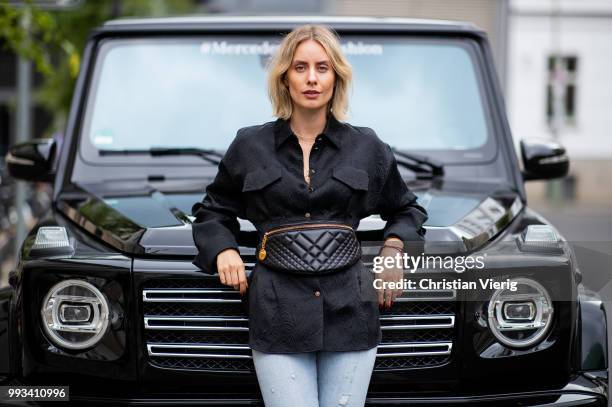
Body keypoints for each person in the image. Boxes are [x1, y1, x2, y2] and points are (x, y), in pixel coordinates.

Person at [191, 24, 428, 407]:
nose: (312, 78)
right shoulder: (249, 145)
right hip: (276, 314)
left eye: (322, 67)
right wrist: (223, 250)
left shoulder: (367, 147)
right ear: (285, 77)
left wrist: (395, 249)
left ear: (337, 76)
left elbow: (407, 208)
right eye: (300, 68)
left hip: (351, 312)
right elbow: (212, 211)